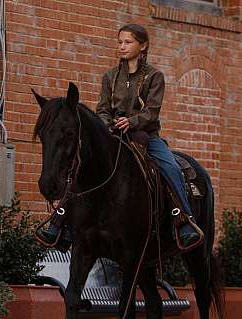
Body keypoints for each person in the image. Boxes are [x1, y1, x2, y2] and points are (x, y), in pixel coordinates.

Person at [39, 23, 201, 249]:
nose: (122, 47)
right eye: (120, 42)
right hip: (113, 135)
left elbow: (152, 111)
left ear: (142, 46)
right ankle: (60, 223)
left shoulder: (155, 76)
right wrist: (107, 124)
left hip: (144, 136)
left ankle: (183, 221)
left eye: (128, 42)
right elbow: (103, 108)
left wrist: (132, 121)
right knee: (81, 165)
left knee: (171, 168)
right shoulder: (110, 76)